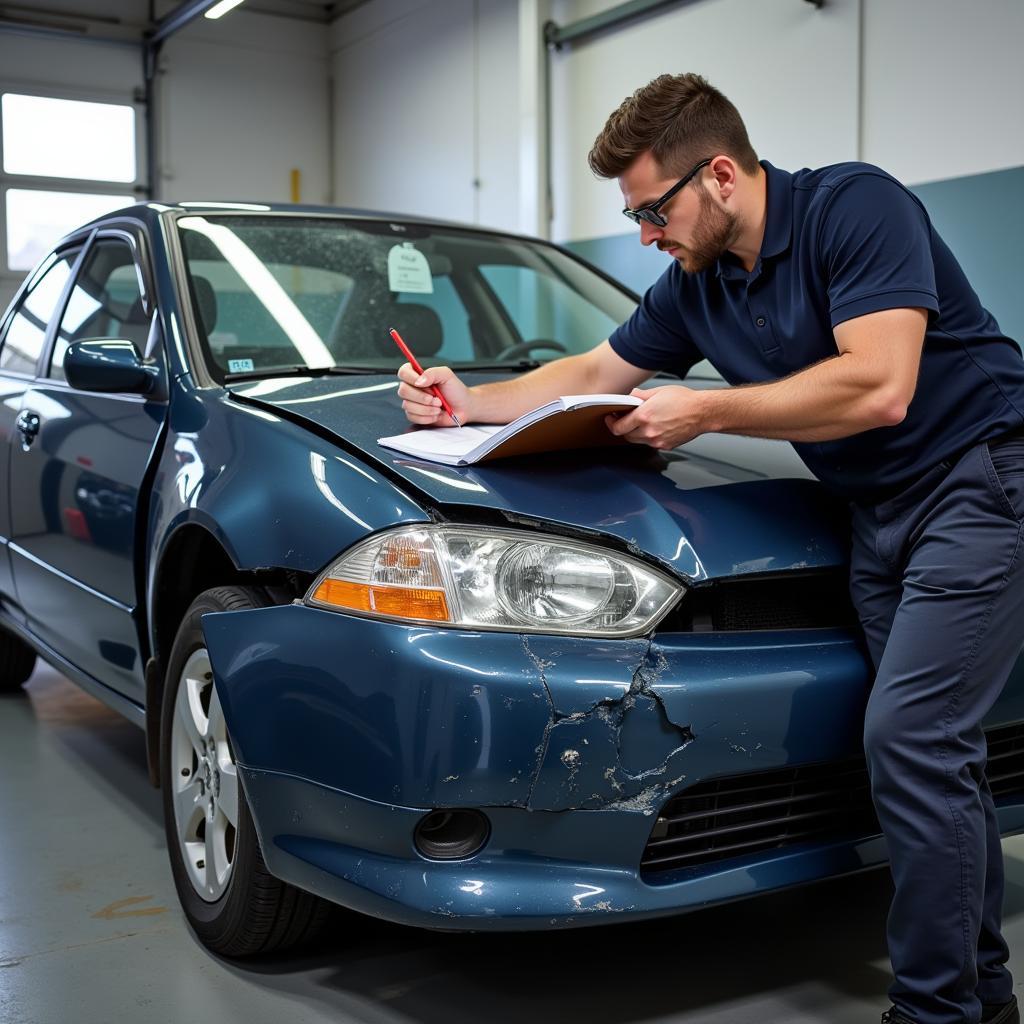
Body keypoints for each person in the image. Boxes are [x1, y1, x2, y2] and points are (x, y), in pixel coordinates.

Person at [396, 72, 1024, 1024]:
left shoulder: (856, 208)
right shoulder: (698, 282)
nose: (645, 233)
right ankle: (982, 996)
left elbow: (882, 385)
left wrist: (707, 410)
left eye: (652, 209)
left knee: (913, 741)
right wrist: (469, 402)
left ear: (720, 175)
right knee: (942, 759)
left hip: (977, 482)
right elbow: (599, 370)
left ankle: (934, 1011)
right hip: (875, 512)